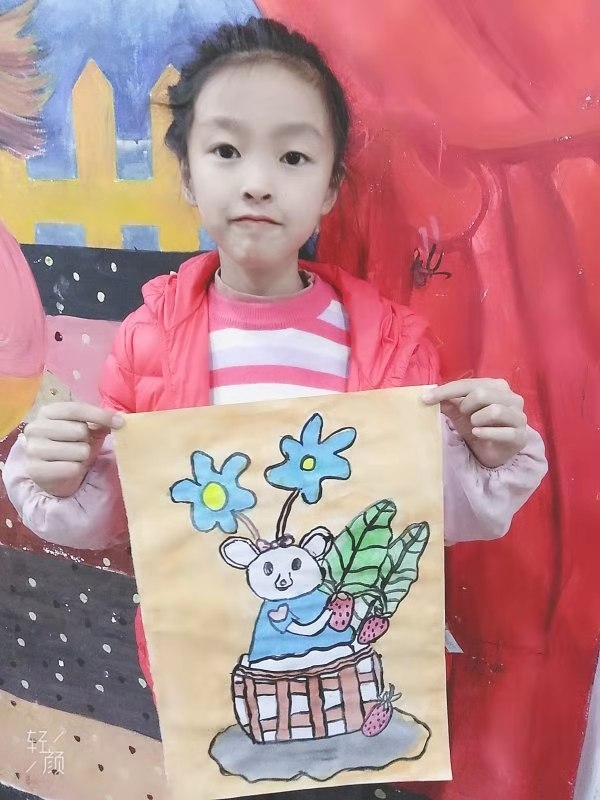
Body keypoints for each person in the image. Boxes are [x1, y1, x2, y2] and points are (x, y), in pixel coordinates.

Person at [3, 17, 547, 695]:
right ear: (188, 177)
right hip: (207, 684)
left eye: (293, 157)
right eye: (227, 150)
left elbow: (416, 513)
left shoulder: (391, 344)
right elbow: (123, 512)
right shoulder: (149, 340)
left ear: (329, 189)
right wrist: (62, 474)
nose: (258, 182)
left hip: (353, 679)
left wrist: (486, 456)